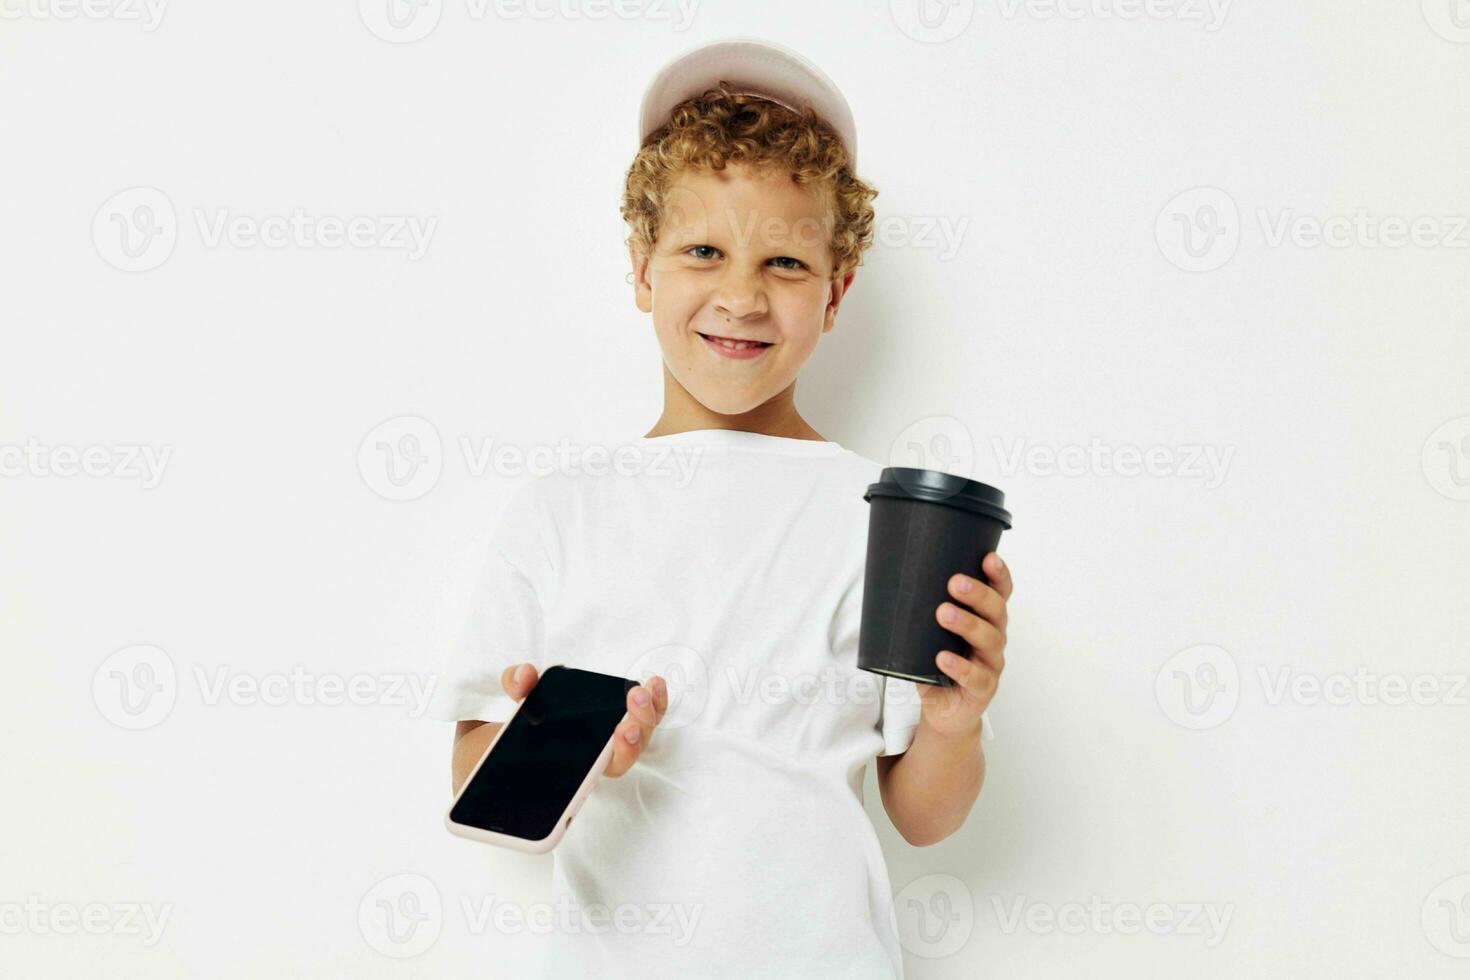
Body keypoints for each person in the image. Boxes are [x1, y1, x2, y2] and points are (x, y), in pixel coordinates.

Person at [432, 36, 1014, 980]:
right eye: (704, 250)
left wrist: (954, 721)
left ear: (836, 294)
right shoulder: (561, 511)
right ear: (642, 269)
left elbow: (924, 816)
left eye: (785, 261)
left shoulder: (884, 518)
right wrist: (573, 757)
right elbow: (474, 782)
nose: (741, 296)